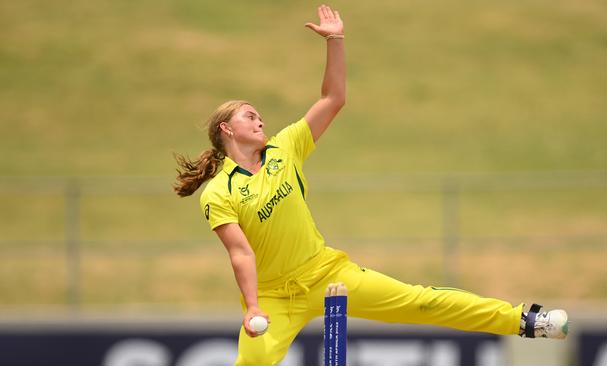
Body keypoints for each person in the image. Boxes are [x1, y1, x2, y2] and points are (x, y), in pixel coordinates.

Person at [173, 5, 569, 365]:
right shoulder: (218, 192)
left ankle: (526, 320)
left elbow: (334, 97)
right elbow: (241, 253)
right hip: (275, 299)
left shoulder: (285, 147)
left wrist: (336, 40)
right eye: (250, 116)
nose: (261, 121)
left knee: (421, 301)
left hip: (329, 274)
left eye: (260, 116)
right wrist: (254, 307)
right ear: (227, 129)